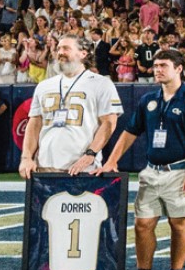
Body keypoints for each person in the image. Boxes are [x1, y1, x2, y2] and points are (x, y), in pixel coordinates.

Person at [99, 49, 185, 270]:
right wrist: (111, 161)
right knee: (142, 223)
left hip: (180, 170)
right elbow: (130, 132)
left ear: (179, 68)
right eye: (156, 65)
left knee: (179, 223)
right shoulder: (148, 99)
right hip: (151, 171)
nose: (157, 69)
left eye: (163, 65)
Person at [18, 35, 122, 178]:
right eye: (59, 48)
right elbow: (34, 123)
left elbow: (109, 122)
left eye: (66, 48)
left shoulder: (101, 83)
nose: (60, 52)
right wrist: (26, 158)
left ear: (83, 53)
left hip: (82, 167)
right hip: (44, 166)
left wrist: (90, 154)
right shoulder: (44, 85)